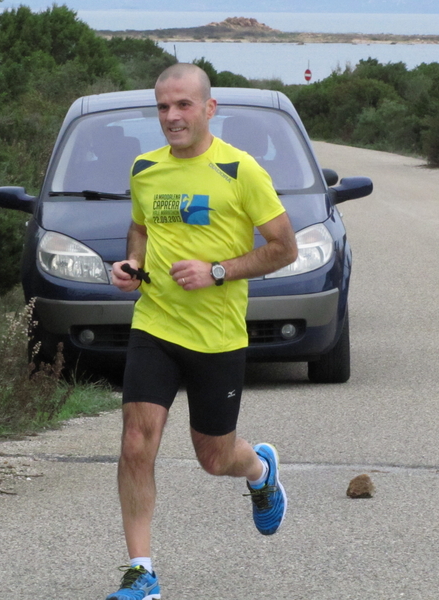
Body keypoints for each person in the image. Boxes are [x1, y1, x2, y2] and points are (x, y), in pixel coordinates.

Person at [106, 63, 298, 600]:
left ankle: (259, 469)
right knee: (135, 442)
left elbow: (285, 248)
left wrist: (218, 271)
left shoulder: (242, 171)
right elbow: (140, 229)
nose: (172, 116)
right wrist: (131, 266)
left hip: (216, 337)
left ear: (209, 108)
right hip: (156, 325)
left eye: (183, 105)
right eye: (163, 106)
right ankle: (141, 572)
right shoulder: (145, 168)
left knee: (214, 458)